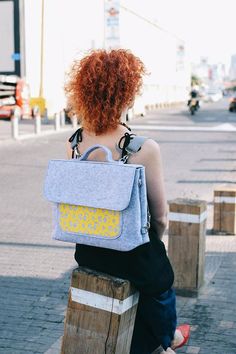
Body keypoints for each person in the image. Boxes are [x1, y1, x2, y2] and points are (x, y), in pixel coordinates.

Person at [65, 49, 190, 354]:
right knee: (160, 280)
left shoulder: (75, 142)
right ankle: (166, 340)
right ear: (127, 93)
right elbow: (160, 217)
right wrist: (155, 243)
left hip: (90, 251)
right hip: (132, 252)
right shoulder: (142, 148)